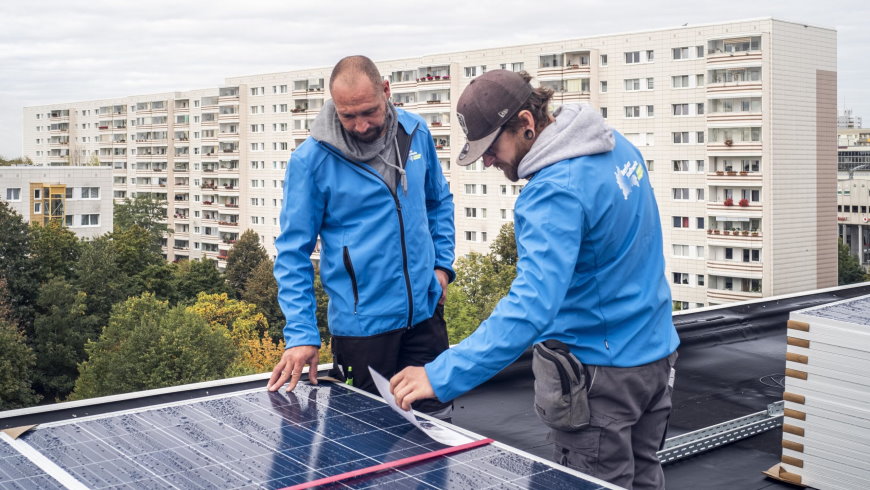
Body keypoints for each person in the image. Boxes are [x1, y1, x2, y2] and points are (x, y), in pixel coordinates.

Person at [390, 70, 680, 489]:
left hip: (601, 375)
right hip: (655, 359)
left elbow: (531, 308)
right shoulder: (616, 147)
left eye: (491, 147)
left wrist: (441, 375)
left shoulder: (552, 192)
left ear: (526, 122)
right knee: (643, 477)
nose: (488, 161)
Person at [267, 55, 455, 418]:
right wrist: (303, 333)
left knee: (437, 429)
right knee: (366, 446)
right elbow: (292, 254)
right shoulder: (311, 161)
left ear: (386, 91)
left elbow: (439, 202)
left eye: (369, 111)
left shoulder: (415, 132)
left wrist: (443, 266)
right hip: (363, 330)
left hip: (426, 316)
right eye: (347, 115)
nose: (360, 124)